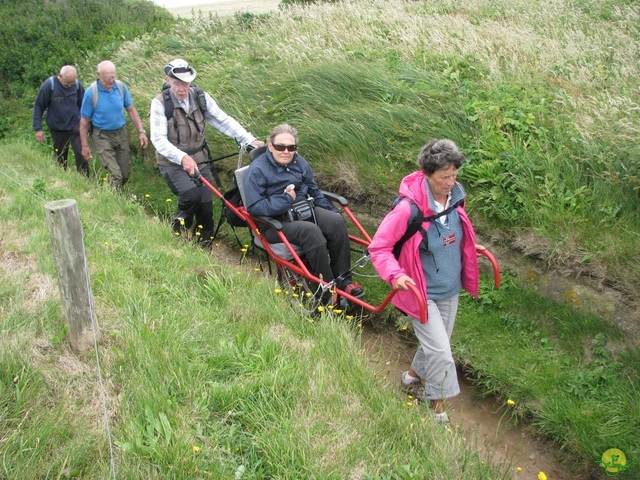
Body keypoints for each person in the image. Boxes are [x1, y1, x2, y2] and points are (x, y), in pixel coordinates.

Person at [368, 139, 479, 423]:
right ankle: (437, 411)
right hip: (421, 291)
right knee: (442, 352)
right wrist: (396, 275)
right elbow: (379, 248)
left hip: (449, 289)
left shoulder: (455, 197)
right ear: (426, 174)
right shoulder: (408, 209)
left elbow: (454, 232)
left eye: (454, 175)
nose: (451, 182)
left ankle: (411, 377)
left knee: (436, 344)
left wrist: (470, 247)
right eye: (444, 177)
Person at [243, 124, 364, 303]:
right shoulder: (257, 170)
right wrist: (285, 200)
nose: (286, 151)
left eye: (291, 147)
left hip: (303, 210)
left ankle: (343, 279)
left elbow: (315, 192)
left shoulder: (300, 162)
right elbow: (254, 207)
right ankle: (326, 287)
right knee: (311, 232)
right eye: (280, 147)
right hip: (273, 222)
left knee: (335, 222)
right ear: (270, 146)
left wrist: (332, 211)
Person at [150, 58, 263, 247]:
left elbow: (223, 121)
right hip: (172, 162)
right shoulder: (160, 103)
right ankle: (176, 233)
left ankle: (204, 245)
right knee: (190, 195)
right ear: (168, 81)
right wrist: (182, 157)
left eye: (185, 84)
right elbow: (158, 139)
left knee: (205, 203)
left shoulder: (201, 98)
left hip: (200, 159)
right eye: (177, 84)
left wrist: (249, 140)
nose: (181, 89)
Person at [79, 60, 148, 191]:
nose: (111, 81)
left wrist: (141, 131)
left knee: (125, 174)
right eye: (107, 78)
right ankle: (116, 204)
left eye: (113, 76)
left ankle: (109, 193)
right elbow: (84, 122)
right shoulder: (91, 93)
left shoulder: (121, 87)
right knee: (116, 175)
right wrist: (84, 146)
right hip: (102, 136)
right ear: (98, 75)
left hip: (121, 133)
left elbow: (131, 110)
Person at [32, 65, 89, 176]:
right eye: (67, 83)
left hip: (75, 127)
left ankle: (85, 182)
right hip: (58, 128)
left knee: (81, 154)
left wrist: (87, 125)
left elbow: (84, 106)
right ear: (59, 76)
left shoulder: (77, 85)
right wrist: (38, 128)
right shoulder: (49, 85)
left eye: (71, 83)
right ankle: (62, 180)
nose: (69, 86)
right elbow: (39, 106)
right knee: (61, 157)